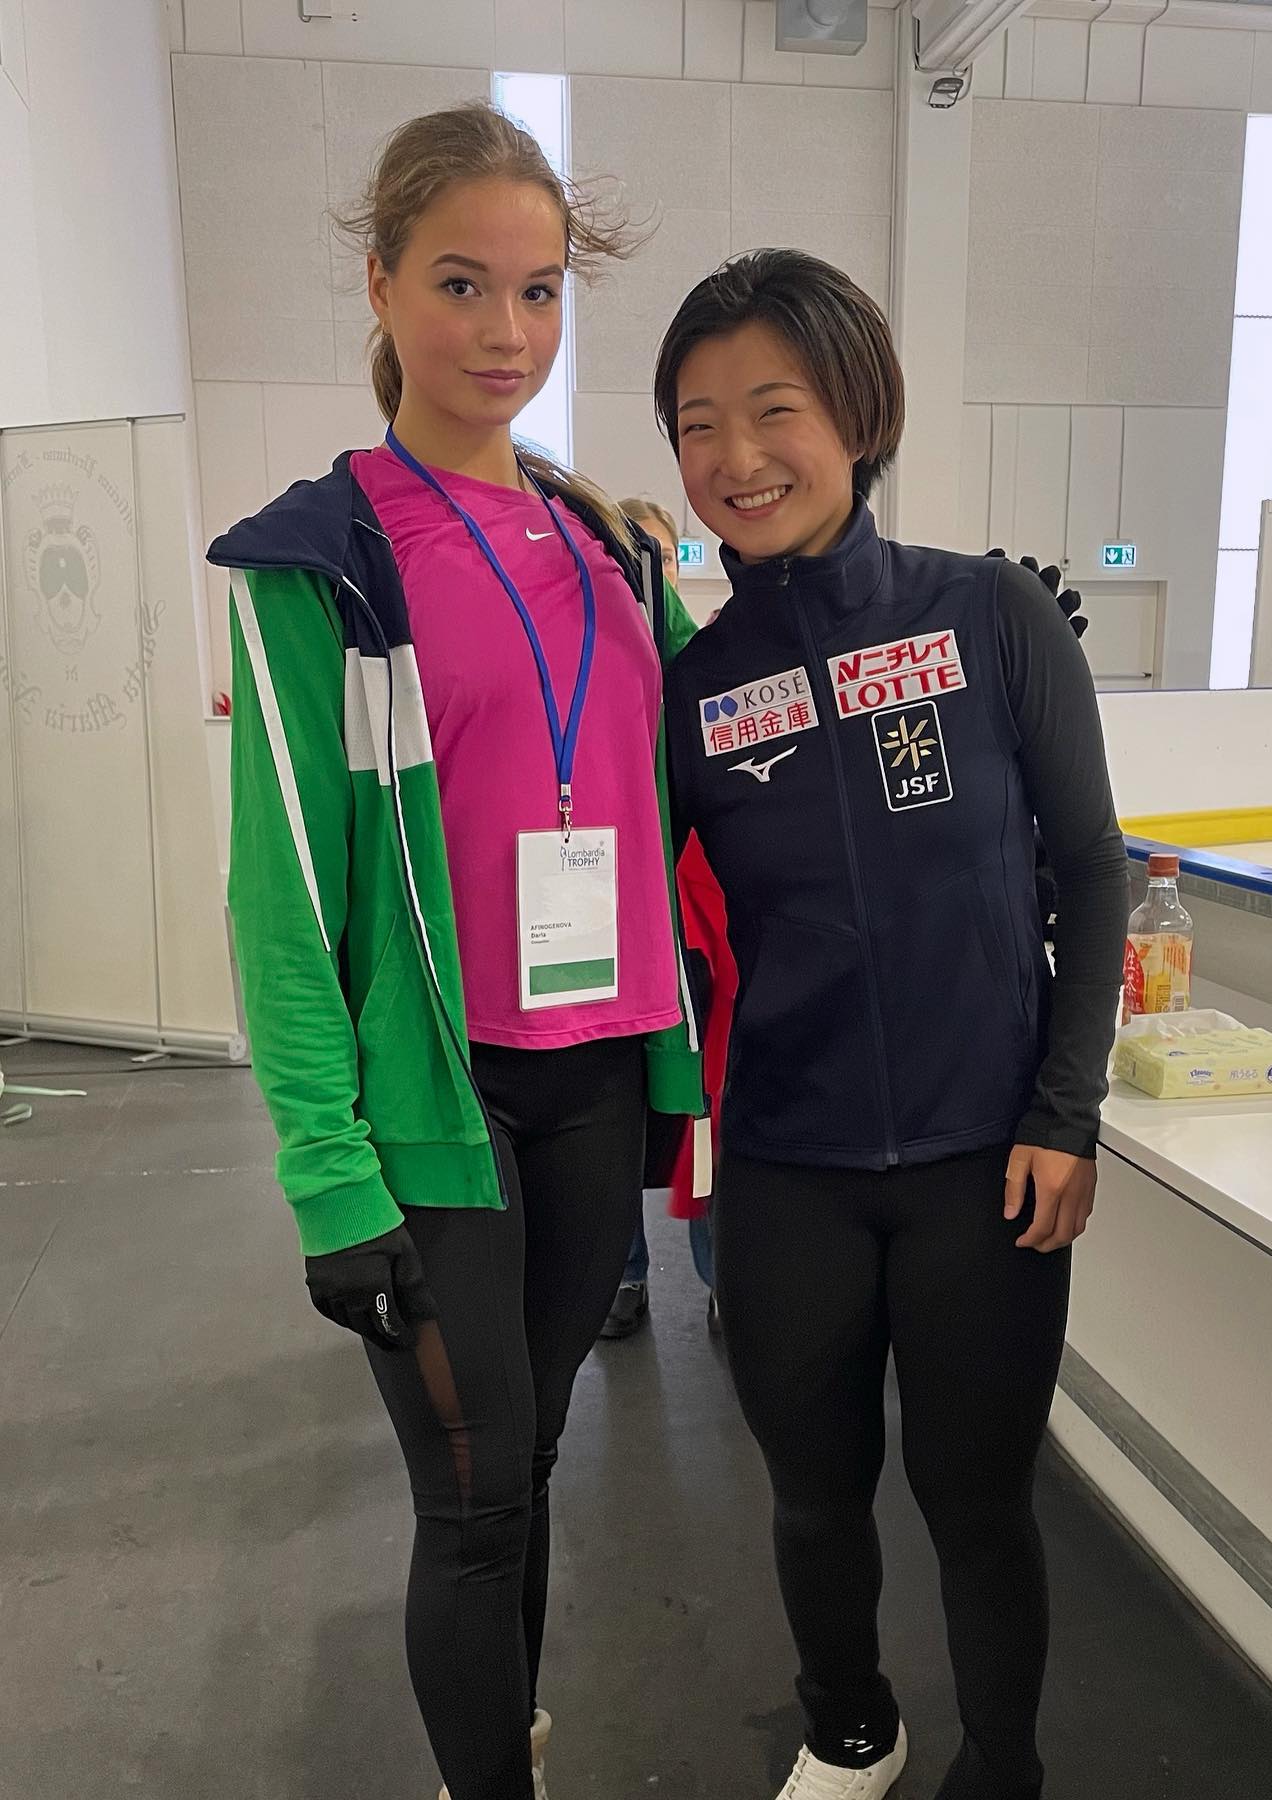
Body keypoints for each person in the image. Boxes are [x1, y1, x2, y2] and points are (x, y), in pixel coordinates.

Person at [207, 103, 701, 1800]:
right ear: (381, 283)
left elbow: (697, 777)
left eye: (540, 291)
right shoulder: (322, 565)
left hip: (597, 1081)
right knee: (476, 1500)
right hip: (436, 1103)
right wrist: (324, 1174)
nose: (506, 332)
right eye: (461, 284)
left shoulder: (612, 550)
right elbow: (283, 897)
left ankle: (508, 1747)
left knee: (532, 1461)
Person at [654, 250, 1130, 1800]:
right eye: (698, 425)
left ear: (858, 417)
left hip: (984, 1164)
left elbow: (1093, 870)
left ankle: (1005, 1766)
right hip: (787, 1166)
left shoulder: (988, 612)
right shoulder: (694, 687)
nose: (737, 457)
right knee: (813, 1499)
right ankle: (852, 1729)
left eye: (773, 409)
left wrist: (1065, 1112)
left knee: (977, 1502)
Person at [600, 496, 725, 1339]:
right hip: (621, 925)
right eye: (633, 558)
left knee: (709, 1110)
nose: (651, 575)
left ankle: (723, 1277)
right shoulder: (596, 662)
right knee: (617, 1114)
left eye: (663, 560)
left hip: (702, 930)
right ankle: (623, 1274)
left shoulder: (704, 660)